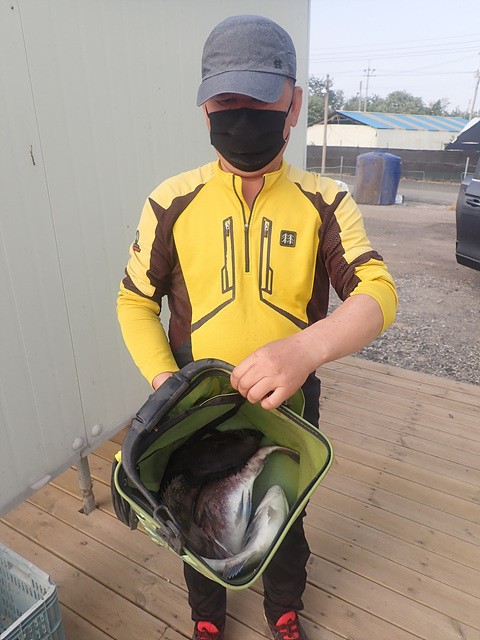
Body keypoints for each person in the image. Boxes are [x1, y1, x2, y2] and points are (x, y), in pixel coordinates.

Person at [117, 14, 397, 640]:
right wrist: (167, 383)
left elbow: (378, 292)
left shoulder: (326, 201)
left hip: (289, 409)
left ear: (293, 103)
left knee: (284, 521)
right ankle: (207, 619)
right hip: (193, 408)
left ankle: (284, 612)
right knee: (192, 512)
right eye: (226, 102)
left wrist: (306, 350)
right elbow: (134, 301)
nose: (242, 117)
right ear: (204, 108)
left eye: (261, 99)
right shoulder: (171, 201)